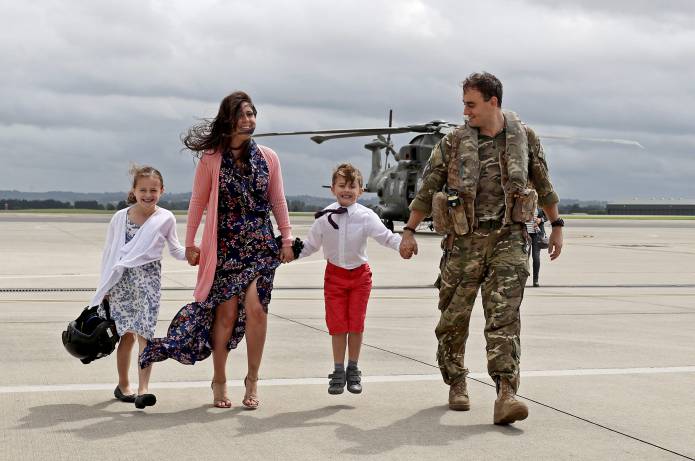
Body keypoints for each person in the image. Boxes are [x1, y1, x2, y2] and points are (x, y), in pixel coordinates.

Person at [399, 72, 564, 425]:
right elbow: (428, 188)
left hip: (510, 238)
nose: (465, 112)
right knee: (453, 319)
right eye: (463, 105)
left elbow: (543, 183)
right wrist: (409, 230)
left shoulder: (525, 138)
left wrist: (557, 226)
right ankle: (456, 381)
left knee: (504, 317)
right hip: (464, 241)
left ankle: (506, 393)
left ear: (493, 102)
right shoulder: (454, 142)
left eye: (471, 104)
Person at [140, 91, 294, 409]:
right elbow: (198, 201)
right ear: (230, 119)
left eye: (253, 114)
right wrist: (191, 242)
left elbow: (278, 200)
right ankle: (220, 379)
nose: (250, 120)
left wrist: (287, 238)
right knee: (224, 315)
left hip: (260, 245)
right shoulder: (211, 159)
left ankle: (252, 380)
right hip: (224, 247)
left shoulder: (269, 157)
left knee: (256, 310)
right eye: (243, 114)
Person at [298, 164, 402, 395]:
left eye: (352, 186)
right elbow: (310, 245)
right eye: (342, 186)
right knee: (337, 326)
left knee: (355, 323)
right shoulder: (325, 217)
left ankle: (353, 369)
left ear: (361, 191)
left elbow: (385, 237)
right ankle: (337, 370)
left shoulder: (366, 216)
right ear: (333, 188)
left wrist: (401, 245)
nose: (347, 190)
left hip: (359, 276)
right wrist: (289, 252)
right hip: (334, 275)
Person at [91, 165, 187, 409]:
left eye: (153, 190)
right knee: (125, 336)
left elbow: (175, 250)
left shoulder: (165, 218)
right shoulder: (120, 217)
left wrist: (194, 254)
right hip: (121, 283)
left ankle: (144, 389)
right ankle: (124, 385)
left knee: (145, 334)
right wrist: (105, 287)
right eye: (142, 189)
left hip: (148, 283)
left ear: (162, 191)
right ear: (133, 191)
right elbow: (109, 253)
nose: (148, 194)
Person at [525, 208, 547, 287]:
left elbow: (548, 215)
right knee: (524, 258)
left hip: (536, 234)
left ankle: (535, 280)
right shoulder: (522, 200)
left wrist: (541, 219)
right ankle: (522, 280)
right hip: (524, 234)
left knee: (536, 257)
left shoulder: (540, 203)